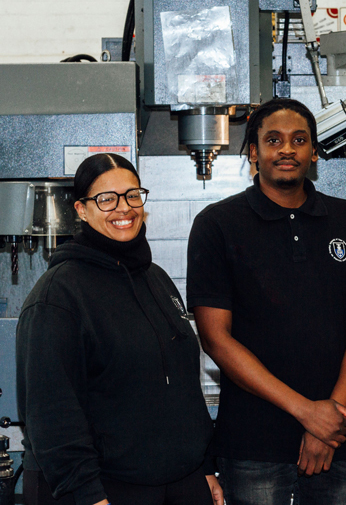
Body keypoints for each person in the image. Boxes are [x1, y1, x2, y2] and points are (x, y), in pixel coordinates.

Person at [186, 98, 346, 505]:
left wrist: (331, 416)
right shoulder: (217, 224)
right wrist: (307, 412)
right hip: (254, 446)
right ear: (253, 150)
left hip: (340, 439)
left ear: (314, 151)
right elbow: (216, 339)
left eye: (299, 140)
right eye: (273, 140)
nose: (287, 150)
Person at [16, 153, 222, 505]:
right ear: (81, 210)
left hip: (181, 483)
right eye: (106, 199)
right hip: (107, 490)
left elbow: (184, 385)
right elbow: (51, 413)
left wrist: (204, 467)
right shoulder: (58, 296)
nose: (123, 208)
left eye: (132, 195)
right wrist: (88, 495)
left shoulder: (154, 278)